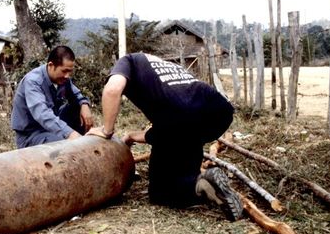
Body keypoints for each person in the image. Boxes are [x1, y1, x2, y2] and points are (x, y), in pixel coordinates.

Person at [87, 52, 243, 221]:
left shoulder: (129, 61)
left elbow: (112, 90)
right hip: (217, 111)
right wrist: (131, 136)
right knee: (180, 151)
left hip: (183, 117)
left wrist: (106, 130)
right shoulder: (166, 68)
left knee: (160, 191)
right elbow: (166, 131)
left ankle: (199, 184)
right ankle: (200, 181)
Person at [11, 45, 94, 148]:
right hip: (32, 135)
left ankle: (84, 139)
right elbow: (43, 114)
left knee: (77, 106)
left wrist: (84, 105)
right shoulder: (33, 81)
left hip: (50, 128)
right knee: (66, 146)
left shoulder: (63, 79)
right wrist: (69, 133)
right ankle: (77, 141)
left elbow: (76, 95)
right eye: (64, 71)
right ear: (51, 65)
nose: (67, 76)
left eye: (70, 71)